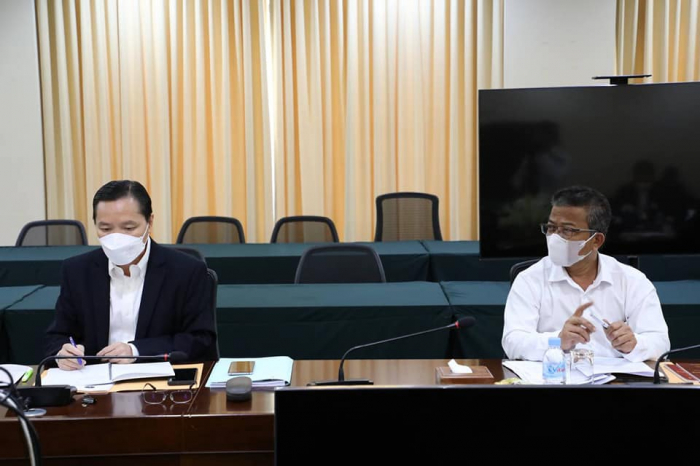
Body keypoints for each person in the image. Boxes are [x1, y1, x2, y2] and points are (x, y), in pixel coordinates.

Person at [45, 180, 217, 370]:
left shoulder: (186, 271)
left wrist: (135, 351)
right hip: (94, 380)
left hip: (157, 379)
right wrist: (62, 353)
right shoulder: (77, 271)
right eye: (105, 229)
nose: (117, 238)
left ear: (149, 222)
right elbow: (58, 335)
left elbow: (200, 340)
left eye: (128, 228)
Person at [502, 185, 670, 362]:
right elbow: (513, 342)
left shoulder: (632, 280)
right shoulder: (530, 279)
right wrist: (557, 340)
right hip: (553, 375)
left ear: (596, 240)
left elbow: (660, 342)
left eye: (568, 230)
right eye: (551, 228)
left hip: (616, 377)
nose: (555, 237)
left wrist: (634, 344)